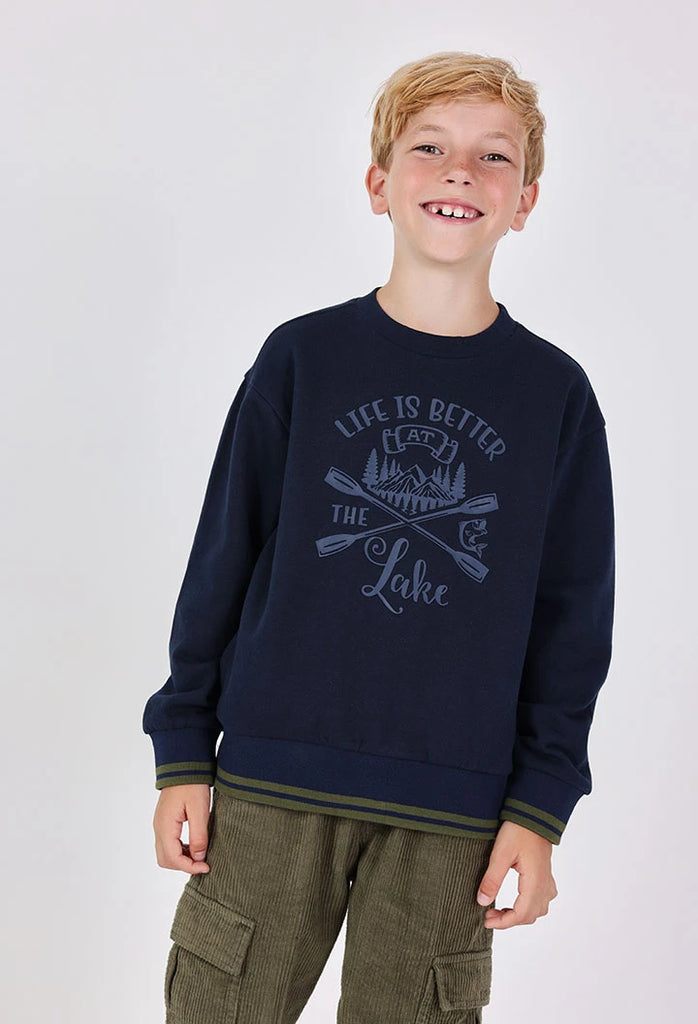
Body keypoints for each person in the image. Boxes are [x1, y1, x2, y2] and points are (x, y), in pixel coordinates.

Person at [142, 50, 615, 1023]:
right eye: (428, 148)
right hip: (273, 777)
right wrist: (184, 745)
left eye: (492, 157)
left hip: (455, 806)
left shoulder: (553, 397)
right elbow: (223, 556)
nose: (459, 172)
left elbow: (572, 620)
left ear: (524, 201)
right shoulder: (302, 358)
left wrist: (539, 807)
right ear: (378, 184)